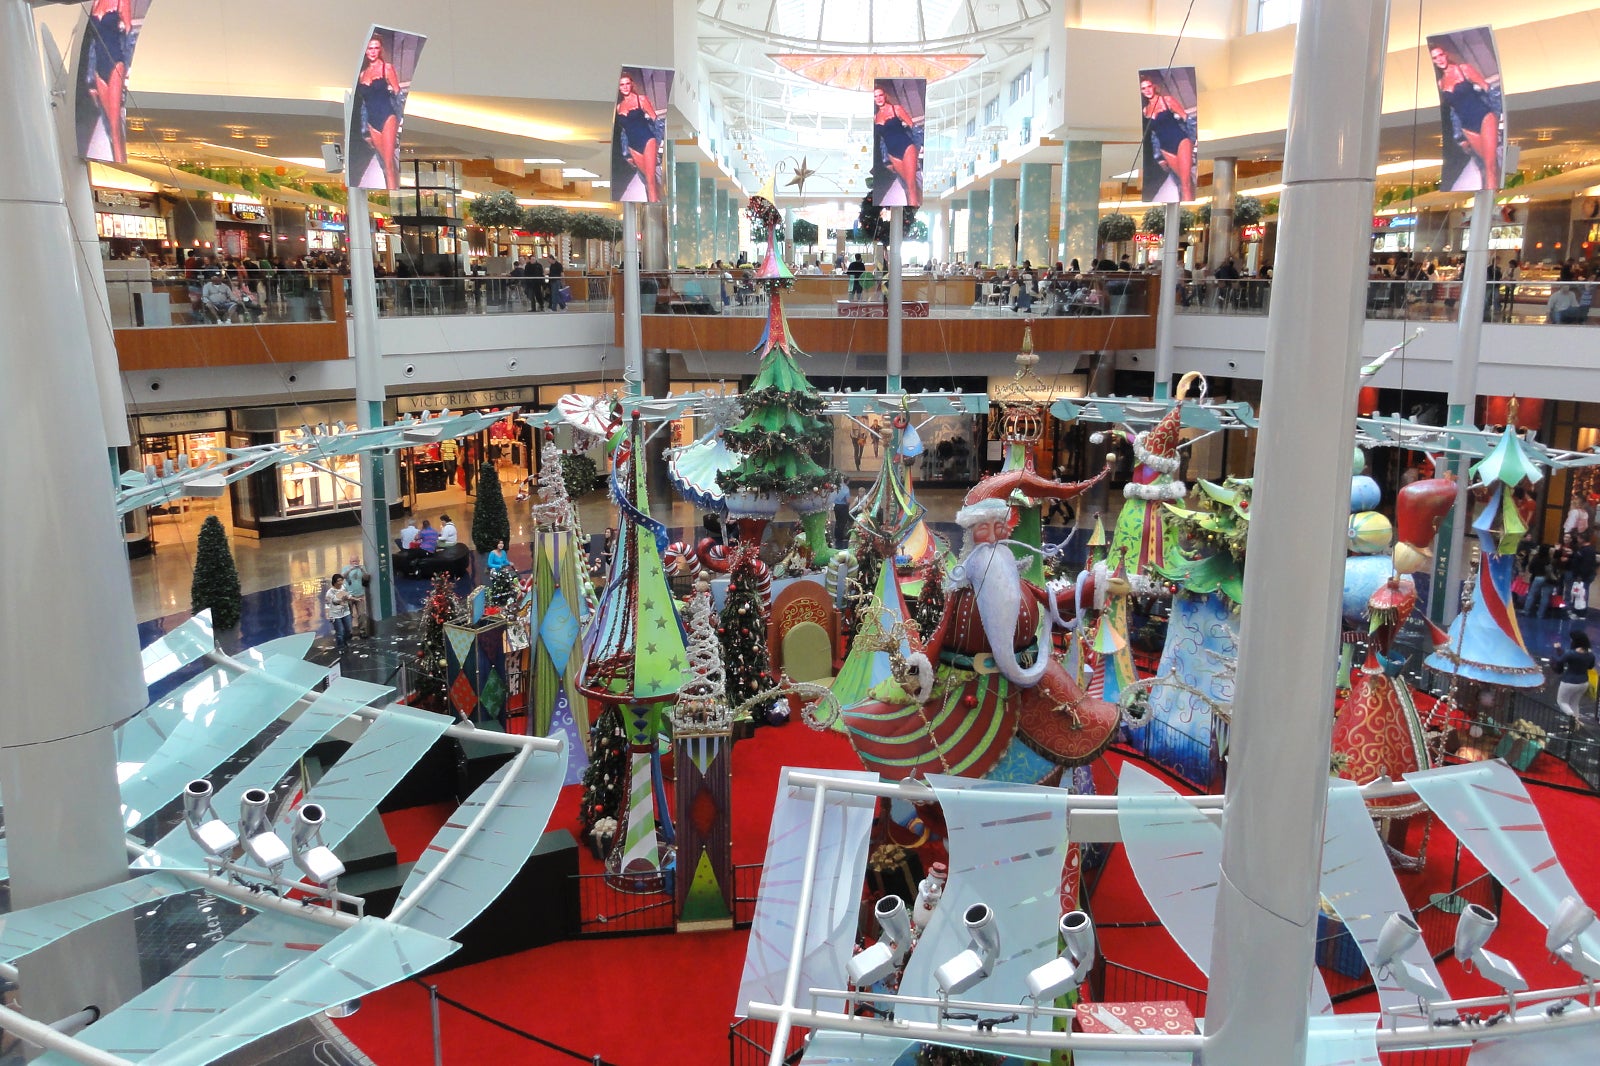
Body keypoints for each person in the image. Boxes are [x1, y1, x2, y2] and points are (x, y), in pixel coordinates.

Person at [1431, 43, 1501, 191]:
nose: (1439, 59)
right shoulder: (1440, 83)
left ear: (1446, 54)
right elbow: (1453, 112)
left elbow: (1487, 88)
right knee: (1488, 164)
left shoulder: (1464, 69)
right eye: (1435, 58)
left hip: (1484, 116)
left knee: (1490, 167)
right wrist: (1460, 137)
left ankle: (1490, 206)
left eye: (1441, 55)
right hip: (1467, 127)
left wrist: (1498, 113)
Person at [86, 0, 134, 162]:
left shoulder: (122, 2)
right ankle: (115, 162)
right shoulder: (94, 4)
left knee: (114, 126)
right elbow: (92, 44)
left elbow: (129, 32)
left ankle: (122, 167)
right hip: (99, 68)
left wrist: (127, 67)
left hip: (115, 63)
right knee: (110, 125)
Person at [356, 34, 402, 191]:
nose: (373, 51)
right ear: (365, 51)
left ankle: (395, 204)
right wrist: (365, 130)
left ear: (380, 49)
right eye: (370, 48)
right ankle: (397, 189)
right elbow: (364, 105)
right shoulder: (362, 74)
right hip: (372, 121)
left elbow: (398, 94)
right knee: (385, 164)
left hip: (388, 116)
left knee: (388, 165)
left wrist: (399, 119)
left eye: (376, 48)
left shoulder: (387, 68)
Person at [1140, 72, 1195, 201]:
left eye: (1148, 86)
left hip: (1181, 141)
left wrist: (1193, 141)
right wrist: (1159, 157)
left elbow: (1187, 118)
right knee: (1183, 182)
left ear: (1153, 86)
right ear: (1141, 91)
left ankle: (1187, 214)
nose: (1147, 90)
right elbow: (1153, 136)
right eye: (1143, 88)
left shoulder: (1167, 100)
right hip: (1166, 149)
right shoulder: (1145, 111)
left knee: (1185, 183)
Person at [872, 85, 922, 207]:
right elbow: (882, 141)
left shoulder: (896, 109)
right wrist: (886, 161)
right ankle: (919, 200)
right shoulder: (875, 117)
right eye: (875, 96)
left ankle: (911, 216)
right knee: (909, 184)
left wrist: (919, 146)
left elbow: (913, 127)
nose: (878, 98)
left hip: (906, 147)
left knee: (910, 188)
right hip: (892, 153)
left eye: (880, 95)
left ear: (885, 96)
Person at [616, 72, 662, 201]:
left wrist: (658, 142)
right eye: (622, 85)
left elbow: (655, 120)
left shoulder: (641, 99)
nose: (625, 87)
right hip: (633, 146)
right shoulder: (618, 107)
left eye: (627, 84)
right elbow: (623, 132)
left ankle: (655, 212)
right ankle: (659, 200)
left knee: (651, 180)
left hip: (647, 139)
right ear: (619, 87)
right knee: (648, 181)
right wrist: (626, 154)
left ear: (631, 85)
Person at [1551, 630, 1595, 731]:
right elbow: (1590, 666)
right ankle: (1574, 726)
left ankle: (1574, 720)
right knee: (1574, 703)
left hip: (1569, 682)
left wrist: (1557, 649)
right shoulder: (1590, 655)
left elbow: (1560, 661)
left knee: (1562, 702)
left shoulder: (1571, 654)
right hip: (1584, 683)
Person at [324, 573, 352, 651]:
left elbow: (348, 595)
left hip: (346, 612)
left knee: (348, 629)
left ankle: (345, 641)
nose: (341, 582)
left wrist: (353, 598)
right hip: (335, 615)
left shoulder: (344, 587)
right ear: (335, 582)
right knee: (340, 632)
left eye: (341, 580)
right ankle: (341, 647)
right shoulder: (330, 592)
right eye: (338, 580)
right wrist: (328, 614)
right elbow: (327, 604)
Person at [341, 558, 368, 638]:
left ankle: (363, 630)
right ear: (350, 562)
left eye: (356, 561)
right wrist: (350, 569)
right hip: (349, 595)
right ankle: (348, 631)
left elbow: (366, 578)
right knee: (349, 614)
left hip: (360, 595)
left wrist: (363, 570)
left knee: (362, 614)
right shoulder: (346, 568)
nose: (355, 563)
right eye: (353, 561)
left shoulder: (362, 568)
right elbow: (342, 577)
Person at [832, 481, 853, 549]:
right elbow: (848, 501)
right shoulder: (846, 488)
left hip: (836, 506)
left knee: (838, 522)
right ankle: (840, 537)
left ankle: (836, 536)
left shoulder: (837, 486)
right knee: (842, 522)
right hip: (843, 507)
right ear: (847, 481)